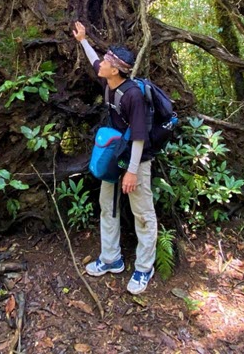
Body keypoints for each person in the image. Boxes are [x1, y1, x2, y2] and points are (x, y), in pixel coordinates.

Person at [72, 21, 157, 295]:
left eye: (108, 60)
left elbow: (140, 137)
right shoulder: (109, 82)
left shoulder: (133, 95)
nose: (102, 63)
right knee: (107, 205)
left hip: (136, 160)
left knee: (142, 213)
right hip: (115, 155)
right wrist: (83, 39)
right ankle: (112, 259)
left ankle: (144, 268)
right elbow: (94, 60)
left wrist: (132, 171)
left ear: (118, 68)